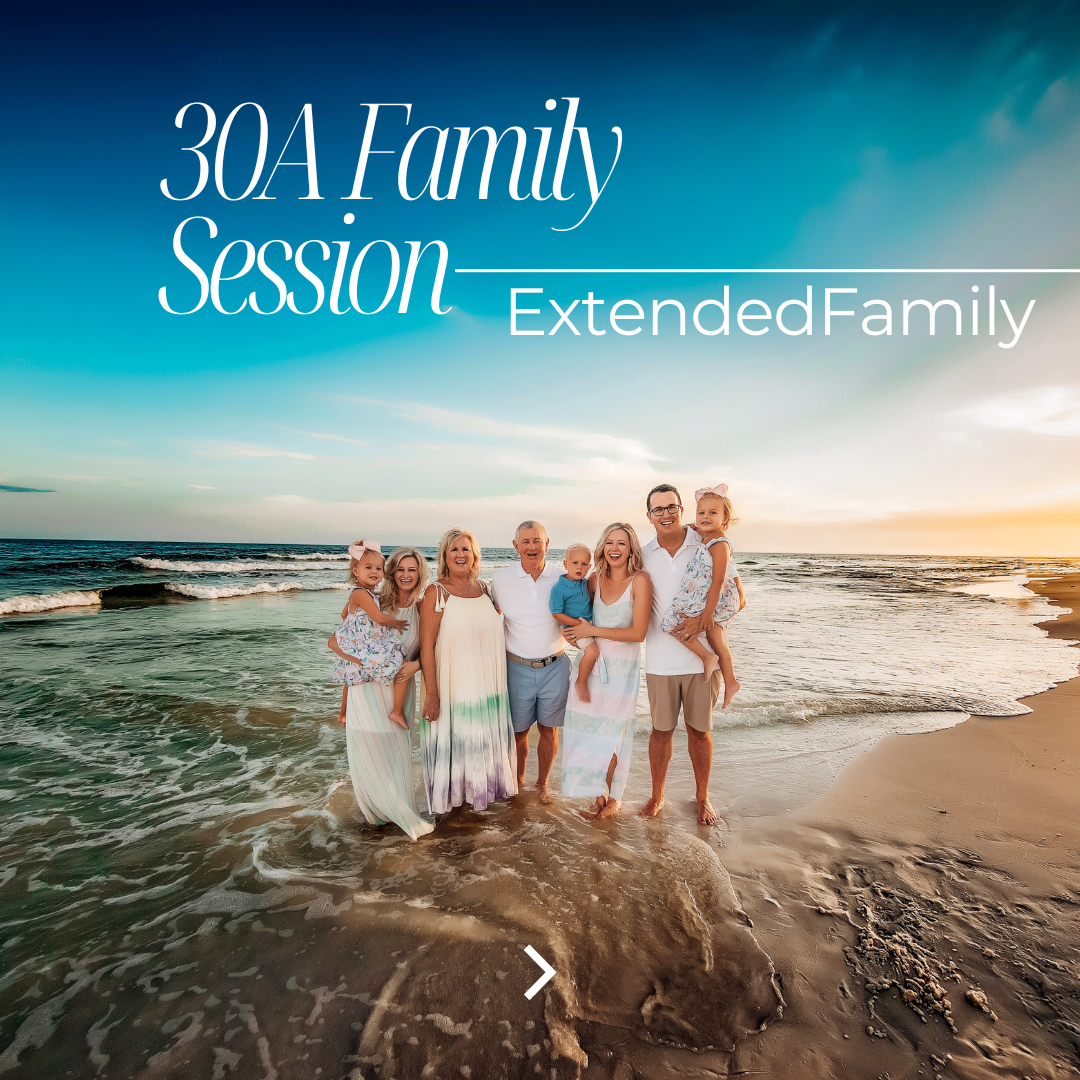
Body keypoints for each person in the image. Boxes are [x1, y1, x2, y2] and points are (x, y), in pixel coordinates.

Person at [328, 542, 433, 841]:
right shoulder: (375, 602)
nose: (405, 574)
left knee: (395, 752)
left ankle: (397, 809)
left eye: (412, 569)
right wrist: (359, 664)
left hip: (399, 687)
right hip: (367, 688)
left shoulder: (423, 607)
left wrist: (417, 666)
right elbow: (343, 637)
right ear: (391, 572)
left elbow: (435, 648)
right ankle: (375, 815)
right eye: (399, 568)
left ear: (420, 574)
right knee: (370, 750)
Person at [638, 484, 722, 826]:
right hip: (659, 660)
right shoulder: (642, 555)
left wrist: (704, 622)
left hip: (702, 659)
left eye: (671, 507)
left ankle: (702, 797)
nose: (666, 514)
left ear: (682, 510)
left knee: (699, 732)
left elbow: (734, 592)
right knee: (660, 731)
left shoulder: (705, 542)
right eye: (658, 509)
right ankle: (657, 795)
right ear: (649, 516)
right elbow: (609, 580)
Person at [418, 527, 517, 813]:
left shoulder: (485, 589)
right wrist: (432, 694)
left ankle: (477, 800)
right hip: (454, 686)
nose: (460, 554)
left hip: (488, 686)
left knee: (480, 742)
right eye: (454, 549)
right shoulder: (435, 592)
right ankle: (455, 810)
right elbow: (426, 647)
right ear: (444, 556)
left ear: (474, 555)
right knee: (458, 743)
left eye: (466, 549)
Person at [560, 523, 652, 819]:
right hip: (591, 667)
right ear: (602, 547)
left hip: (622, 672)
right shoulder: (594, 579)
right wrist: (571, 635)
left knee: (612, 733)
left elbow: (638, 633)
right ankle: (598, 792)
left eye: (621, 543)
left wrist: (592, 631)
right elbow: (578, 616)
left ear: (631, 549)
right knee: (589, 731)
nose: (614, 548)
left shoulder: (640, 580)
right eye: (610, 542)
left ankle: (615, 797)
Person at [490, 521, 569, 804]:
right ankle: (519, 782)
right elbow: (490, 616)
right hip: (516, 667)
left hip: (555, 666)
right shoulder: (501, 580)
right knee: (518, 732)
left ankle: (542, 785)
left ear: (547, 544)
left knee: (549, 730)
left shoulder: (563, 577)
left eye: (537, 541)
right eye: (525, 541)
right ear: (515, 546)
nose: (531, 547)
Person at [659, 484, 742, 709]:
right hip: (705, 596)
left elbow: (718, 580)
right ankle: (715, 665)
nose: (705, 517)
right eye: (701, 513)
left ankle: (727, 678)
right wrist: (690, 526)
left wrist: (707, 614)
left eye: (713, 513)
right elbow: (692, 526)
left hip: (718, 599)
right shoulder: (705, 535)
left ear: (725, 520)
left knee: (701, 632)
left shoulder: (720, 544)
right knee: (684, 627)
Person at [329, 540, 411, 729]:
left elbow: (344, 614)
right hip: (365, 643)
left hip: (360, 641)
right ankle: (397, 711)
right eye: (368, 567)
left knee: (351, 679)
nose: (374, 572)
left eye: (378, 568)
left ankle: (343, 714)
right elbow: (380, 618)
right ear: (355, 570)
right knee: (402, 664)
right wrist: (396, 623)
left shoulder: (361, 593)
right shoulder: (361, 593)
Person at [549, 543, 603, 704]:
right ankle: (581, 681)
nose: (579, 567)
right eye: (575, 563)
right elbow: (556, 613)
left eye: (584, 564)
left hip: (589, 625)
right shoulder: (559, 589)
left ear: (589, 567)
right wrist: (578, 625)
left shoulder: (585, 583)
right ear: (565, 564)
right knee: (593, 651)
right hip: (575, 629)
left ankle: (598, 681)